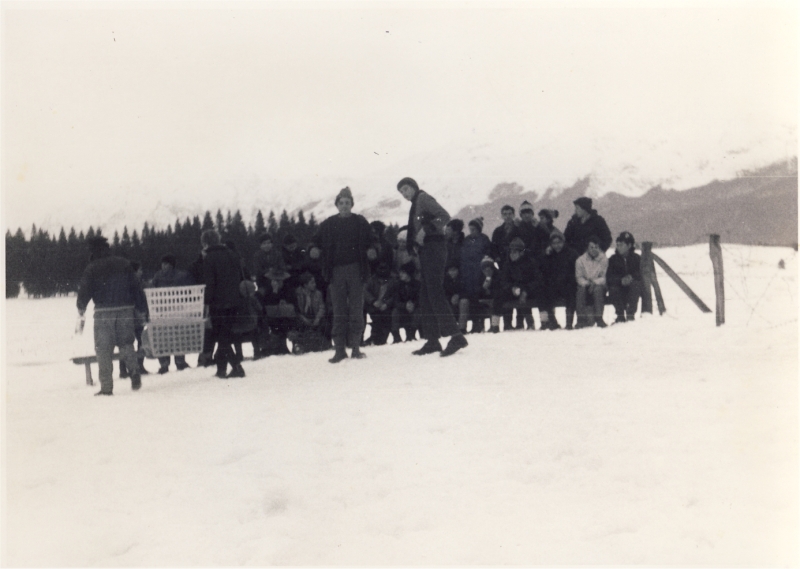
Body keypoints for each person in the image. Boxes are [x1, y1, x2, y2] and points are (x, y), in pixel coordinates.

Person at [397, 177, 468, 357]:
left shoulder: (422, 198)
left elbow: (444, 215)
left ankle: (456, 336)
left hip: (434, 247)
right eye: (401, 192)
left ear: (414, 187)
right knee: (425, 294)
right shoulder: (416, 203)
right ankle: (432, 340)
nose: (404, 194)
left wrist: (425, 230)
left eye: (406, 189)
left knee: (434, 292)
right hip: (427, 250)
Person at [309, 187, 375, 363]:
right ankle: (339, 350)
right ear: (337, 205)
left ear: (352, 204)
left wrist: (372, 249)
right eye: (341, 203)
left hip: (356, 270)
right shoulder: (328, 224)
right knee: (338, 311)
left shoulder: (360, 222)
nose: (344, 205)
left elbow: (372, 240)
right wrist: (313, 249)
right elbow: (315, 241)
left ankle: (356, 348)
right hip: (336, 272)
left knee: (356, 310)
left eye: (347, 203)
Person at [76, 235, 147, 395]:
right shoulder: (124, 263)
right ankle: (134, 371)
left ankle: (107, 387)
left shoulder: (92, 267)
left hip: (103, 313)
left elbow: (85, 289)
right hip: (126, 310)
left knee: (103, 349)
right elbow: (136, 287)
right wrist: (142, 308)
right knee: (126, 344)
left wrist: (81, 306)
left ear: (93, 250)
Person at [202, 229, 247, 379]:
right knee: (225, 337)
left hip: (218, 303)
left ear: (205, 243)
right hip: (234, 301)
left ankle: (237, 367)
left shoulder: (209, 258)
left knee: (222, 337)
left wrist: (206, 302)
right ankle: (221, 369)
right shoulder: (231, 254)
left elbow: (210, 283)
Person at [149, 253, 194, 374]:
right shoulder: (180, 275)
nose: (163, 266)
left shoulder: (159, 276)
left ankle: (167, 363)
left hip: (166, 310)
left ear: (171, 265)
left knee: (167, 337)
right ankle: (177, 362)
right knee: (176, 336)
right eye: (163, 264)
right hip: (174, 310)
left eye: (166, 264)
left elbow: (152, 289)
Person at [494, 237, 543, 331]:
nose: (512, 254)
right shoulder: (507, 264)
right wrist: (511, 288)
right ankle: (496, 324)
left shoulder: (531, 263)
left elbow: (537, 280)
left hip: (529, 290)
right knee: (499, 295)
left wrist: (525, 290)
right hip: (513, 290)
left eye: (514, 252)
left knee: (541, 293)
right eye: (510, 252)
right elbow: (504, 281)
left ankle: (542, 322)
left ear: (521, 253)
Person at [458, 217, 492, 333]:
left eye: (474, 229)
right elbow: (463, 255)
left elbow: (487, 254)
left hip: (479, 271)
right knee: (468, 296)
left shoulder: (484, 239)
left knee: (477, 296)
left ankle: (478, 323)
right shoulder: (466, 240)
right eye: (470, 229)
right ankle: (466, 325)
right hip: (468, 272)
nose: (472, 232)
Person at [540, 233, 579, 330]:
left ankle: (569, 322)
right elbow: (544, 271)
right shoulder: (549, 255)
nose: (557, 245)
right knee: (544, 292)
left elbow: (575, 272)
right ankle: (552, 321)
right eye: (554, 243)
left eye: (559, 242)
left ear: (563, 242)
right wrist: (546, 256)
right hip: (554, 285)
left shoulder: (572, 254)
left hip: (568, 284)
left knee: (571, 293)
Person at [119, 260, 150, 377]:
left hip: (132, 318)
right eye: (140, 270)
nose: (141, 272)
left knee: (135, 342)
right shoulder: (133, 284)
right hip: (133, 317)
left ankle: (135, 366)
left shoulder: (136, 283)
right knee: (131, 342)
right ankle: (127, 368)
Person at [288, 271, 330, 354]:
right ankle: (297, 344)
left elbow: (322, 307)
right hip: (302, 318)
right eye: (312, 283)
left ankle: (326, 343)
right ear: (305, 285)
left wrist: (317, 318)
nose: (314, 284)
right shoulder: (297, 294)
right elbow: (296, 310)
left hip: (315, 318)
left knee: (325, 324)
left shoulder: (318, 294)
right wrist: (304, 319)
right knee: (297, 324)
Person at [607, 231, 642, 323]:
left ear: (629, 245)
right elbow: (609, 277)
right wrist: (620, 280)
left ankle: (630, 315)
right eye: (617, 245)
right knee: (613, 289)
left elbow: (641, 273)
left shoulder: (637, 258)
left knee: (636, 285)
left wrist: (631, 277)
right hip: (618, 287)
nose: (618, 247)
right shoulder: (612, 259)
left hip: (632, 287)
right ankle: (620, 316)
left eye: (621, 245)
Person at [575, 235, 609, 328]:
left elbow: (604, 276)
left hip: (599, 284)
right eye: (591, 247)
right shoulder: (580, 260)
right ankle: (580, 319)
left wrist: (594, 282)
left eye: (596, 247)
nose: (594, 249)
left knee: (598, 290)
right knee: (581, 291)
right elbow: (579, 277)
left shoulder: (603, 259)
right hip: (585, 284)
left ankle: (599, 318)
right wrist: (587, 283)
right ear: (587, 248)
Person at [362, 262, 396, 346]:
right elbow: (365, 291)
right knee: (375, 317)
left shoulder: (393, 281)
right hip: (373, 306)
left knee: (386, 319)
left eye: (385, 268)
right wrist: (373, 301)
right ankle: (372, 338)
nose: (382, 271)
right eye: (381, 268)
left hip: (387, 307)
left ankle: (379, 339)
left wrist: (386, 304)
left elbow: (395, 294)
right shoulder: (371, 280)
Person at [392, 261, 421, 343]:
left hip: (415, 308)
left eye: (403, 272)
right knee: (395, 312)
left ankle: (411, 334)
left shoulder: (418, 284)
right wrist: (405, 305)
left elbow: (420, 299)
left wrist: (413, 304)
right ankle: (396, 336)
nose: (400, 274)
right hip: (402, 308)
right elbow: (396, 300)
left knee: (418, 312)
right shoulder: (398, 285)